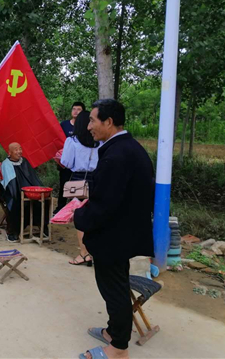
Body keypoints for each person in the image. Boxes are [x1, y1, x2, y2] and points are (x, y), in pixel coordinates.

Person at [73, 99, 154, 359]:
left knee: (114, 289)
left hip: (114, 237)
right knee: (116, 285)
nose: (89, 126)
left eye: (92, 121)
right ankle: (113, 331)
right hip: (123, 232)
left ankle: (118, 348)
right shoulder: (129, 148)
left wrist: (78, 216)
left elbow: (104, 204)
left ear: (108, 122)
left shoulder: (117, 156)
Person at [60, 110, 101, 267]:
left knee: (80, 217)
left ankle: (84, 253)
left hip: (78, 181)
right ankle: (95, 252)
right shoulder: (99, 142)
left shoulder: (72, 141)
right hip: (96, 181)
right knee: (95, 216)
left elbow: (66, 162)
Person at [1, 142, 50, 243]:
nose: (19, 152)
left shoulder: (25, 161)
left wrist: (38, 190)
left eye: (20, 149)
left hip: (29, 190)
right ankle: (13, 231)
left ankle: (43, 226)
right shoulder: (6, 164)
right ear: (9, 152)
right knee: (16, 202)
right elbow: (9, 184)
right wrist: (18, 192)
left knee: (43, 200)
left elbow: (33, 178)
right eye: (16, 150)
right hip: (14, 192)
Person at [55, 101, 85, 213]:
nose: (76, 111)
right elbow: (57, 141)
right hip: (65, 161)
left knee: (77, 185)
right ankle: (60, 207)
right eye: (74, 109)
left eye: (79, 110)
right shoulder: (64, 124)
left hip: (79, 163)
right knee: (64, 183)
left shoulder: (84, 126)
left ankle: (75, 209)